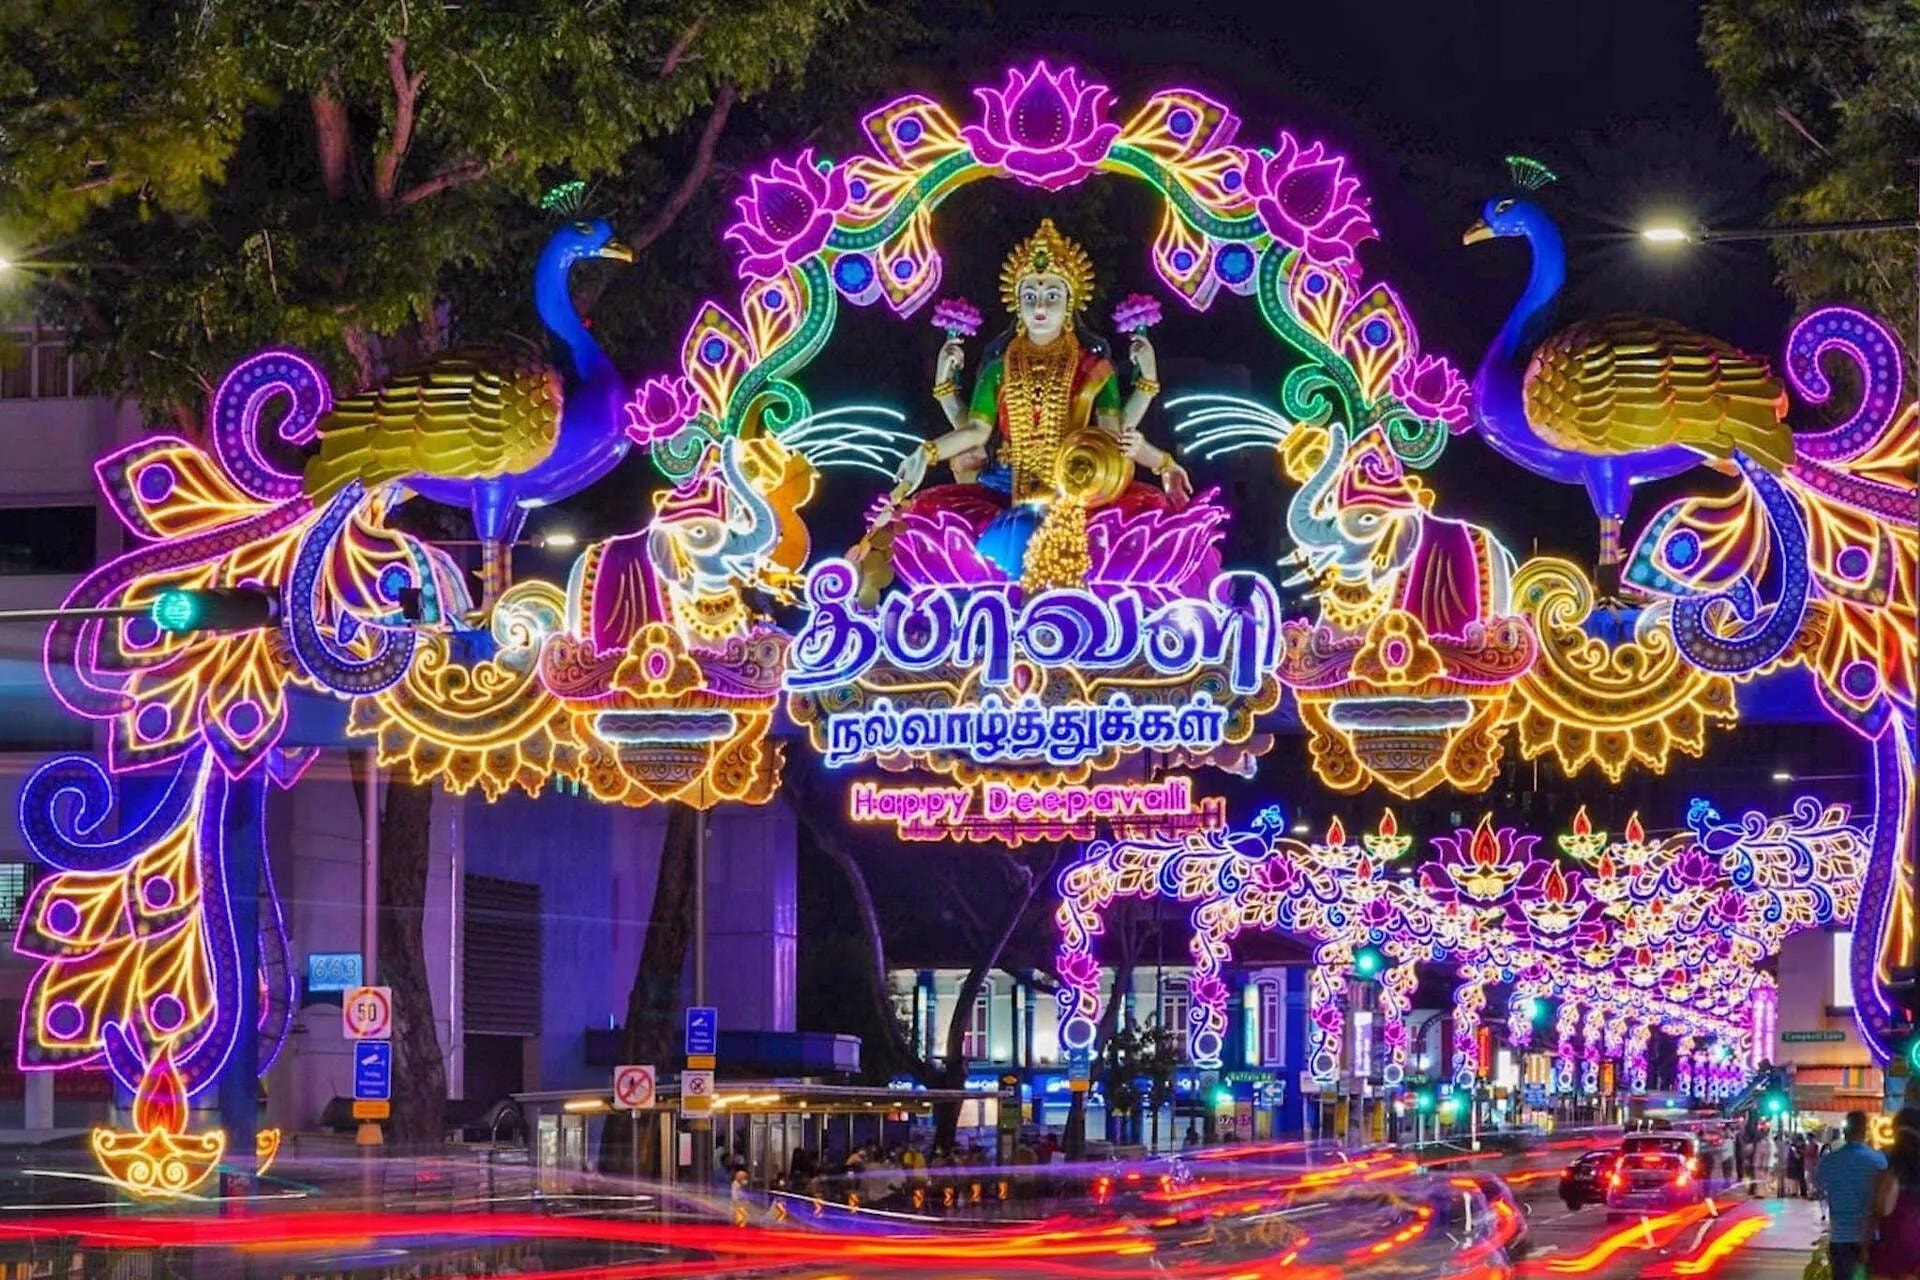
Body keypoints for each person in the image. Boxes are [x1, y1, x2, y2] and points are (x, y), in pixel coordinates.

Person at [861, 219, 1195, 599]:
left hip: (1077, 491)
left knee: (1138, 526)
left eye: (1052, 295)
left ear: (1070, 304)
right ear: (1016, 305)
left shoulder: (1093, 365)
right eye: (1030, 296)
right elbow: (975, 433)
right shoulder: (998, 367)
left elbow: (1112, 439)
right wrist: (929, 449)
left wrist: (1161, 449)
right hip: (1007, 488)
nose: (1040, 306)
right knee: (930, 523)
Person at [1825, 1111, 1889, 1280]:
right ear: (1865, 1131)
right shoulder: (1879, 1161)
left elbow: (1820, 1189)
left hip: (1840, 1236)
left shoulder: (1829, 1161)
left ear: (1845, 1132)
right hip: (1868, 1238)